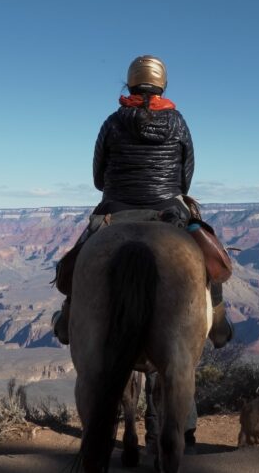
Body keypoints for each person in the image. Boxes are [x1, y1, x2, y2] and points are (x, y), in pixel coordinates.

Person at [51, 55, 233, 349]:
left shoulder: (112, 122)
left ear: (131, 82)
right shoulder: (178, 122)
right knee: (208, 252)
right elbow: (185, 178)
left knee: (83, 252)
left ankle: (68, 315)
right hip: (168, 206)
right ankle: (220, 321)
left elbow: (98, 177)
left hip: (116, 207)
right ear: (162, 85)